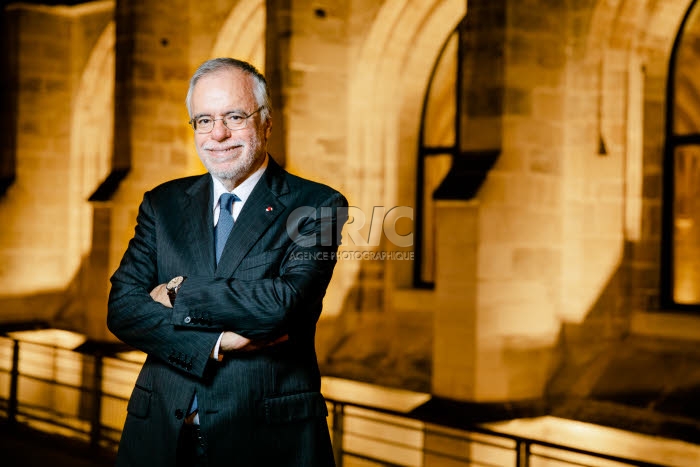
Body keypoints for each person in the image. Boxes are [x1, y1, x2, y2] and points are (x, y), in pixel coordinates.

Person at [107, 57, 348, 467]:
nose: (217, 134)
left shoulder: (318, 205)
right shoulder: (162, 204)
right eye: (203, 120)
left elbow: (281, 305)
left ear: (266, 123)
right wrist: (215, 343)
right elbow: (124, 309)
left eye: (234, 116)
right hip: (160, 438)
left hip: (269, 443)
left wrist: (177, 290)